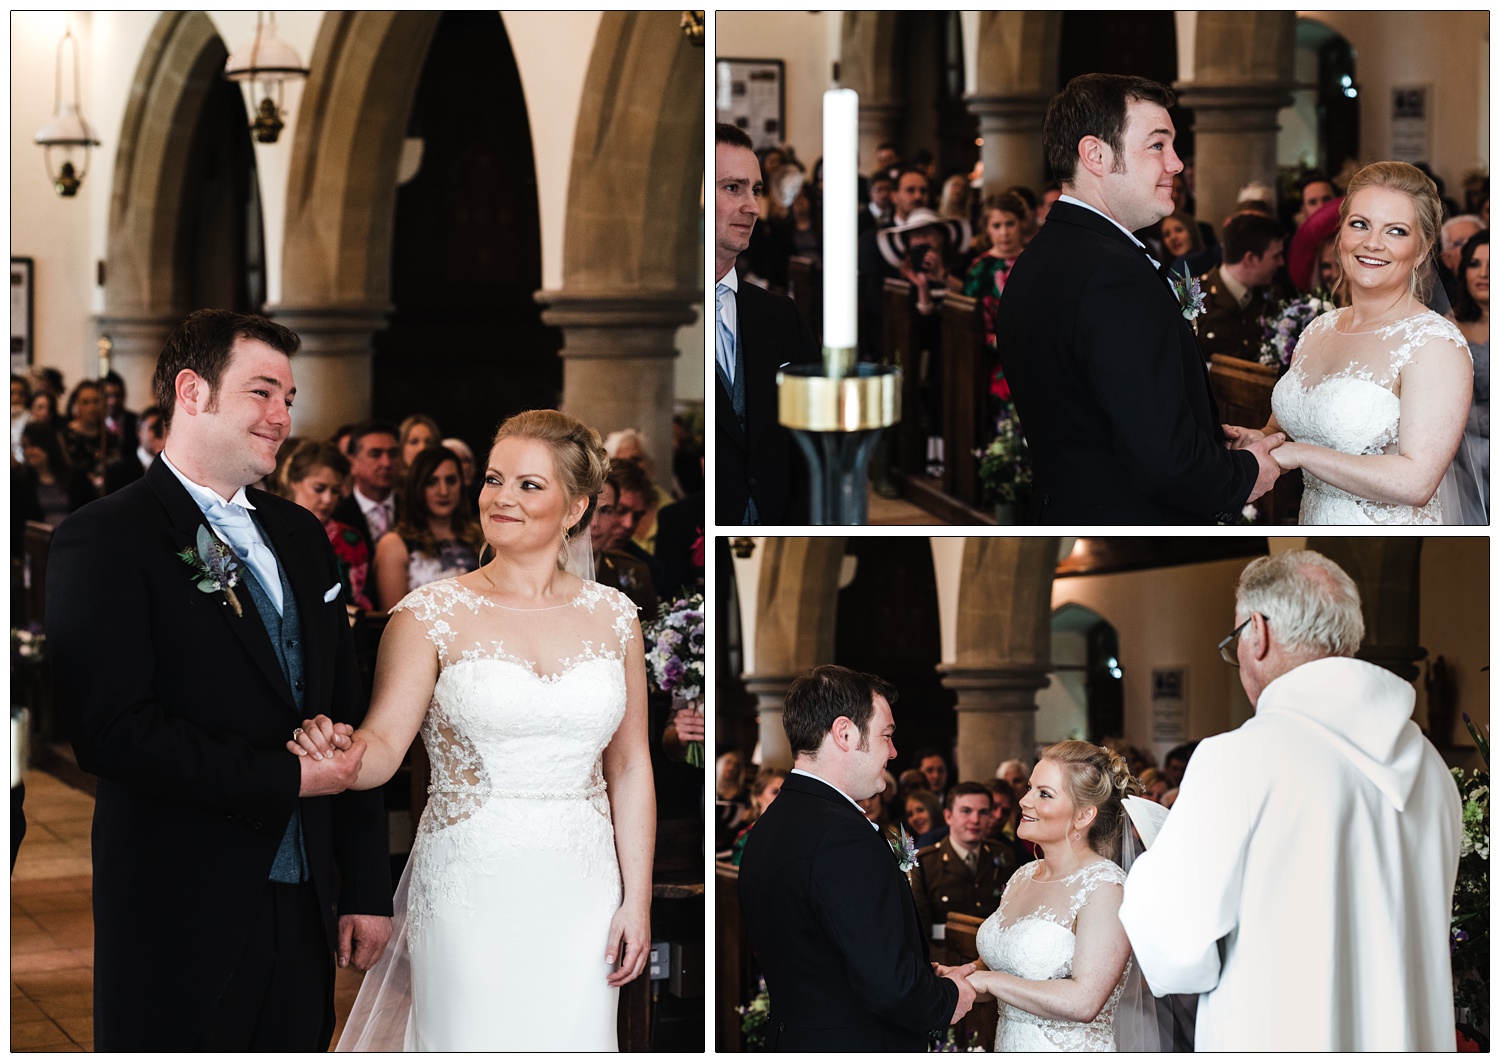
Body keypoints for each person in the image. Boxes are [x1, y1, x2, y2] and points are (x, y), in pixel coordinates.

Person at [45, 309, 392, 1050]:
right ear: (193, 391)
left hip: (302, 902)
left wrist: (363, 887)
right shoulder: (106, 537)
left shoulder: (300, 534)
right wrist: (285, 778)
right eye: (263, 392)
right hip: (178, 895)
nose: (282, 416)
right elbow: (112, 731)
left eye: (290, 398)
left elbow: (345, 712)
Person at [292, 408, 654, 1050]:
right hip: (470, 884)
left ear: (576, 509)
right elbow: (380, 751)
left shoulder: (615, 617)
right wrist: (336, 750)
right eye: (493, 479)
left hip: (583, 888)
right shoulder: (429, 614)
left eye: (528, 485)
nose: (500, 498)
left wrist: (637, 900)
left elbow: (629, 767)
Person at [1118, 551, 1461, 1050]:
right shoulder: (1430, 767)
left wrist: (1155, 860)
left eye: (1235, 640)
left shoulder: (1239, 755)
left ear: (1258, 631)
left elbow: (1175, 945)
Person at [995, 73, 1282, 523]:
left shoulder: (1046, 256)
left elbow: (1100, 416)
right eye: (1157, 145)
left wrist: (1210, 446)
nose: (1177, 164)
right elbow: (1165, 464)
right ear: (1096, 155)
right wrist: (1248, 471)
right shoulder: (1113, 275)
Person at [738, 665, 977, 1050]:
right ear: (845, 733)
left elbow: (826, 952)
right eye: (886, 735)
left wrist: (919, 975)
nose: (894, 751)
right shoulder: (841, 835)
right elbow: (888, 986)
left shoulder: (773, 822)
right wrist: (948, 997)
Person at [1235, 161, 1478, 523]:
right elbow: (1285, 430)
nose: (1372, 243)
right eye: (1360, 224)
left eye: (1395, 231)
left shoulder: (1434, 344)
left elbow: (1417, 482)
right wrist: (1256, 439)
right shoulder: (1319, 328)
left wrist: (1303, 455)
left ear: (1423, 249)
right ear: (1341, 234)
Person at [968, 742, 1141, 1051]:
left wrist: (990, 982)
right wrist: (958, 978)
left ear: (1083, 815)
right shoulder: (1022, 875)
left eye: (1044, 794)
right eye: (1029, 788)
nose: (1024, 801)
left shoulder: (1105, 888)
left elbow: (1085, 1002)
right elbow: (996, 972)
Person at [714, 122, 817, 525]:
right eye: (733, 188)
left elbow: (814, 436)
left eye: (755, 190)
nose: (753, 207)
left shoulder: (781, 316)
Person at [909, 782, 1018, 964]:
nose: (975, 820)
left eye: (983, 812)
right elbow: (921, 934)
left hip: (995, 962)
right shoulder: (924, 863)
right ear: (948, 816)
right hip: (945, 963)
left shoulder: (1003, 856)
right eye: (966, 811)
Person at [371, 444, 482, 612]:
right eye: (432, 482)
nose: (443, 491)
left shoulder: (480, 537)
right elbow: (392, 620)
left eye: (451, 480)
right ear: (417, 487)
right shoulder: (394, 544)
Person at [283, 440, 373, 611]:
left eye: (335, 491)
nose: (328, 499)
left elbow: (359, 602)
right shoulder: (269, 529)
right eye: (319, 488)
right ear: (295, 481)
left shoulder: (350, 539)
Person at [1193, 213, 1288, 363]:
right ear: (1250, 259)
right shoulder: (1193, 296)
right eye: (1276, 256)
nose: (1281, 262)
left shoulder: (1272, 294)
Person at [1452, 229, 1489, 515]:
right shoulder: (1448, 326)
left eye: (1493, 263)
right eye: (1475, 264)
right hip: (1467, 452)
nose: (1484, 273)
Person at [331, 421, 401, 556]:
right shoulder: (337, 515)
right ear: (352, 462)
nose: (386, 463)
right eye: (375, 454)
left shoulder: (414, 509)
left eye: (393, 454)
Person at [729, 768, 786, 866]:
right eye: (775, 792)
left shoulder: (791, 833)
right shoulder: (746, 838)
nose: (782, 798)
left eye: (785, 793)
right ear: (758, 796)